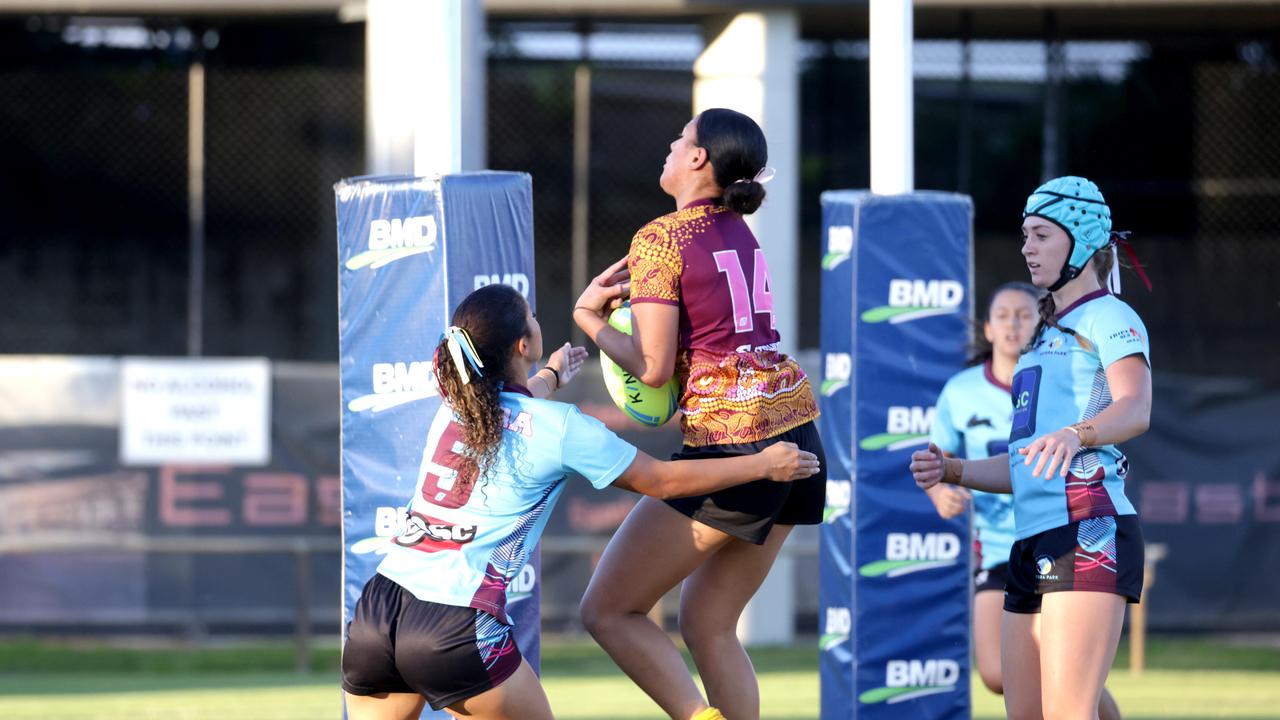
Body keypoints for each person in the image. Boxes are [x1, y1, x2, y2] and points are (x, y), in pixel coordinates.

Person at [340, 284, 820, 720]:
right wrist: (761, 465)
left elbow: (511, 406)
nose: (535, 317)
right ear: (522, 345)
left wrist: (548, 375)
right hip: (455, 626)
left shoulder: (452, 412)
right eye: (530, 313)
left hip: (378, 614)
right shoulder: (561, 429)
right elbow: (662, 480)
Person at [573, 108, 825, 720]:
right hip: (799, 435)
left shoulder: (661, 236)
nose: (670, 143)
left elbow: (653, 368)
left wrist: (588, 318)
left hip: (736, 446)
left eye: (681, 138)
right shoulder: (739, 228)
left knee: (608, 610)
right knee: (708, 623)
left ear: (699, 159)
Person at [911, 176, 1150, 720]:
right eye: (1024, 235)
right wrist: (952, 469)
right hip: (1029, 536)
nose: (1027, 247)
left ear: (1081, 240)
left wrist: (1077, 433)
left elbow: (1135, 409)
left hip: (1089, 528)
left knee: (1068, 712)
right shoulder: (1041, 339)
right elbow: (1025, 465)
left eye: (1041, 234)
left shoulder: (1109, 316)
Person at [924, 282, 1123, 718]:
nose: (1013, 324)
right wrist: (942, 487)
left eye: (1024, 314)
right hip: (1001, 547)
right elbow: (944, 460)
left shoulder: (1068, 375)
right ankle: (1081, 685)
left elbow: (1127, 414)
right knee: (997, 674)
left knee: (1066, 692)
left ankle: (1083, 687)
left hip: (1070, 535)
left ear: (1043, 325)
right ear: (987, 329)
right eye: (1003, 315)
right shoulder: (961, 391)